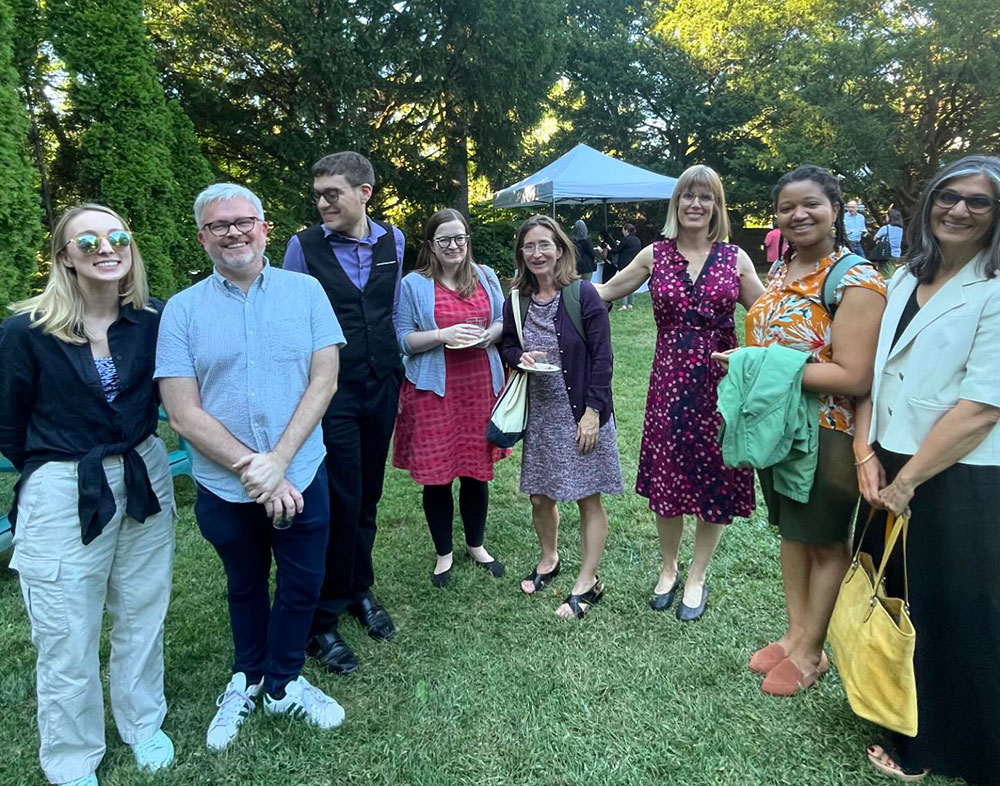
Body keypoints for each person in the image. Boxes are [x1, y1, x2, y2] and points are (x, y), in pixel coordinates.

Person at [157, 184, 346, 750]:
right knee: (243, 584)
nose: (234, 232)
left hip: (304, 471)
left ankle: (284, 682)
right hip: (223, 483)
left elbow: (324, 379)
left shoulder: (307, 290)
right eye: (220, 226)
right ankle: (248, 676)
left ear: (264, 226)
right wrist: (253, 468)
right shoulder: (182, 310)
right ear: (203, 238)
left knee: (301, 583)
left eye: (244, 221)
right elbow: (182, 410)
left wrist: (281, 462)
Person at [0, 204, 176, 786]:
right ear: (63, 257)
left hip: (144, 471)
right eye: (88, 240)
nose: (107, 247)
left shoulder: (151, 320)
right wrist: (55, 462)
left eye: (118, 236)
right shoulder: (25, 331)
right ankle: (73, 758)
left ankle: (143, 722)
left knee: (142, 610)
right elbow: (8, 422)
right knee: (66, 630)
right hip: (62, 483)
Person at [854, 155, 1000, 785]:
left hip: (955, 473)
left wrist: (906, 482)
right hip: (885, 458)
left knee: (956, 607)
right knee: (900, 597)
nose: (959, 209)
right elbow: (873, 376)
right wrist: (866, 453)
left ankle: (949, 741)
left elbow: (983, 406)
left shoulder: (996, 287)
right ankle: (900, 709)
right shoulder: (904, 276)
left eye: (979, 201)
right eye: (949, 195)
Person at [734, 165, 886, 695]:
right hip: (780, 425)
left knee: (823, 539)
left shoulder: (856, 278)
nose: (798, 215)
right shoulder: (780, 269)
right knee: (792, 534)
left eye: (811, 205)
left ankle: (811, 652)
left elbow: (854, 373)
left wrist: (757, 364)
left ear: (835, 210)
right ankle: (794, 633)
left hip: (828, 429)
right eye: (786, 207)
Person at [595, 165, 763, 621]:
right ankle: (669, 568)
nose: (695, 204)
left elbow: (767, 317)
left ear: (716, 206)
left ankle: (697, 576)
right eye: (687, 195)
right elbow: (604, 292)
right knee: (669, 477)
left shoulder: (735, 259)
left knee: (715, 477)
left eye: (705, 197)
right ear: (676, 203)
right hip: (668, 384)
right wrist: (550, 286)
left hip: (720, 386)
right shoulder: (655, 254)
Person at [282, 151, 405, 674]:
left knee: (368, 494)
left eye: (332, 193)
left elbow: (392, 307)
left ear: (364, 194)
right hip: (329, 392)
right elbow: (289, 320)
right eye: (318, 195)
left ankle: (359, 589)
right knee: (337, 499)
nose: (322, 203)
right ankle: (322, 619)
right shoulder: (303, 246)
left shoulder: (392, 241)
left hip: (382, 386)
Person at [500, 215, 623, 618]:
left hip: (581, 413)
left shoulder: (583, 294)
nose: (537, 253)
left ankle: (589, 581)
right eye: (529, 247)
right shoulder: (516, 300)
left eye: (544, 245)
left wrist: (592, 414)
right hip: (541, 415)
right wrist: (520, 356)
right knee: (540, 495)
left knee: (588, 498)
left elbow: (603, 359)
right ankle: (549, 559)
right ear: (521, 254)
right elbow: (507, 346)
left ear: (560, 249)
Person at [392, 208, 508, 587]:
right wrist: (442, 335)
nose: (454, 245)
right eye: (444, 240)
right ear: (431, 245)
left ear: (467, 240)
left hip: (479, 388)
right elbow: (403, 338)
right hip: (434, 392)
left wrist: (492, 333)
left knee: (476, 472)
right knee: (437, 477)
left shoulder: (487, 276)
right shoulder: (414, 284)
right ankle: (444, 553)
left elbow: (504, 320)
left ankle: (476, 545)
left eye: (460, 238)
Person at [611, 223, 642, 310]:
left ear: (626, 231)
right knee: (632, 284)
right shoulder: (638, 240)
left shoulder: (624, 240)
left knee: (623, 284)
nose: (623, 232)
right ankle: (630, 304)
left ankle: (624, 305)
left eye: (623, 230)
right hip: (634, 264)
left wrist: (610, 248)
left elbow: (616, 250)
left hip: (624, 265)